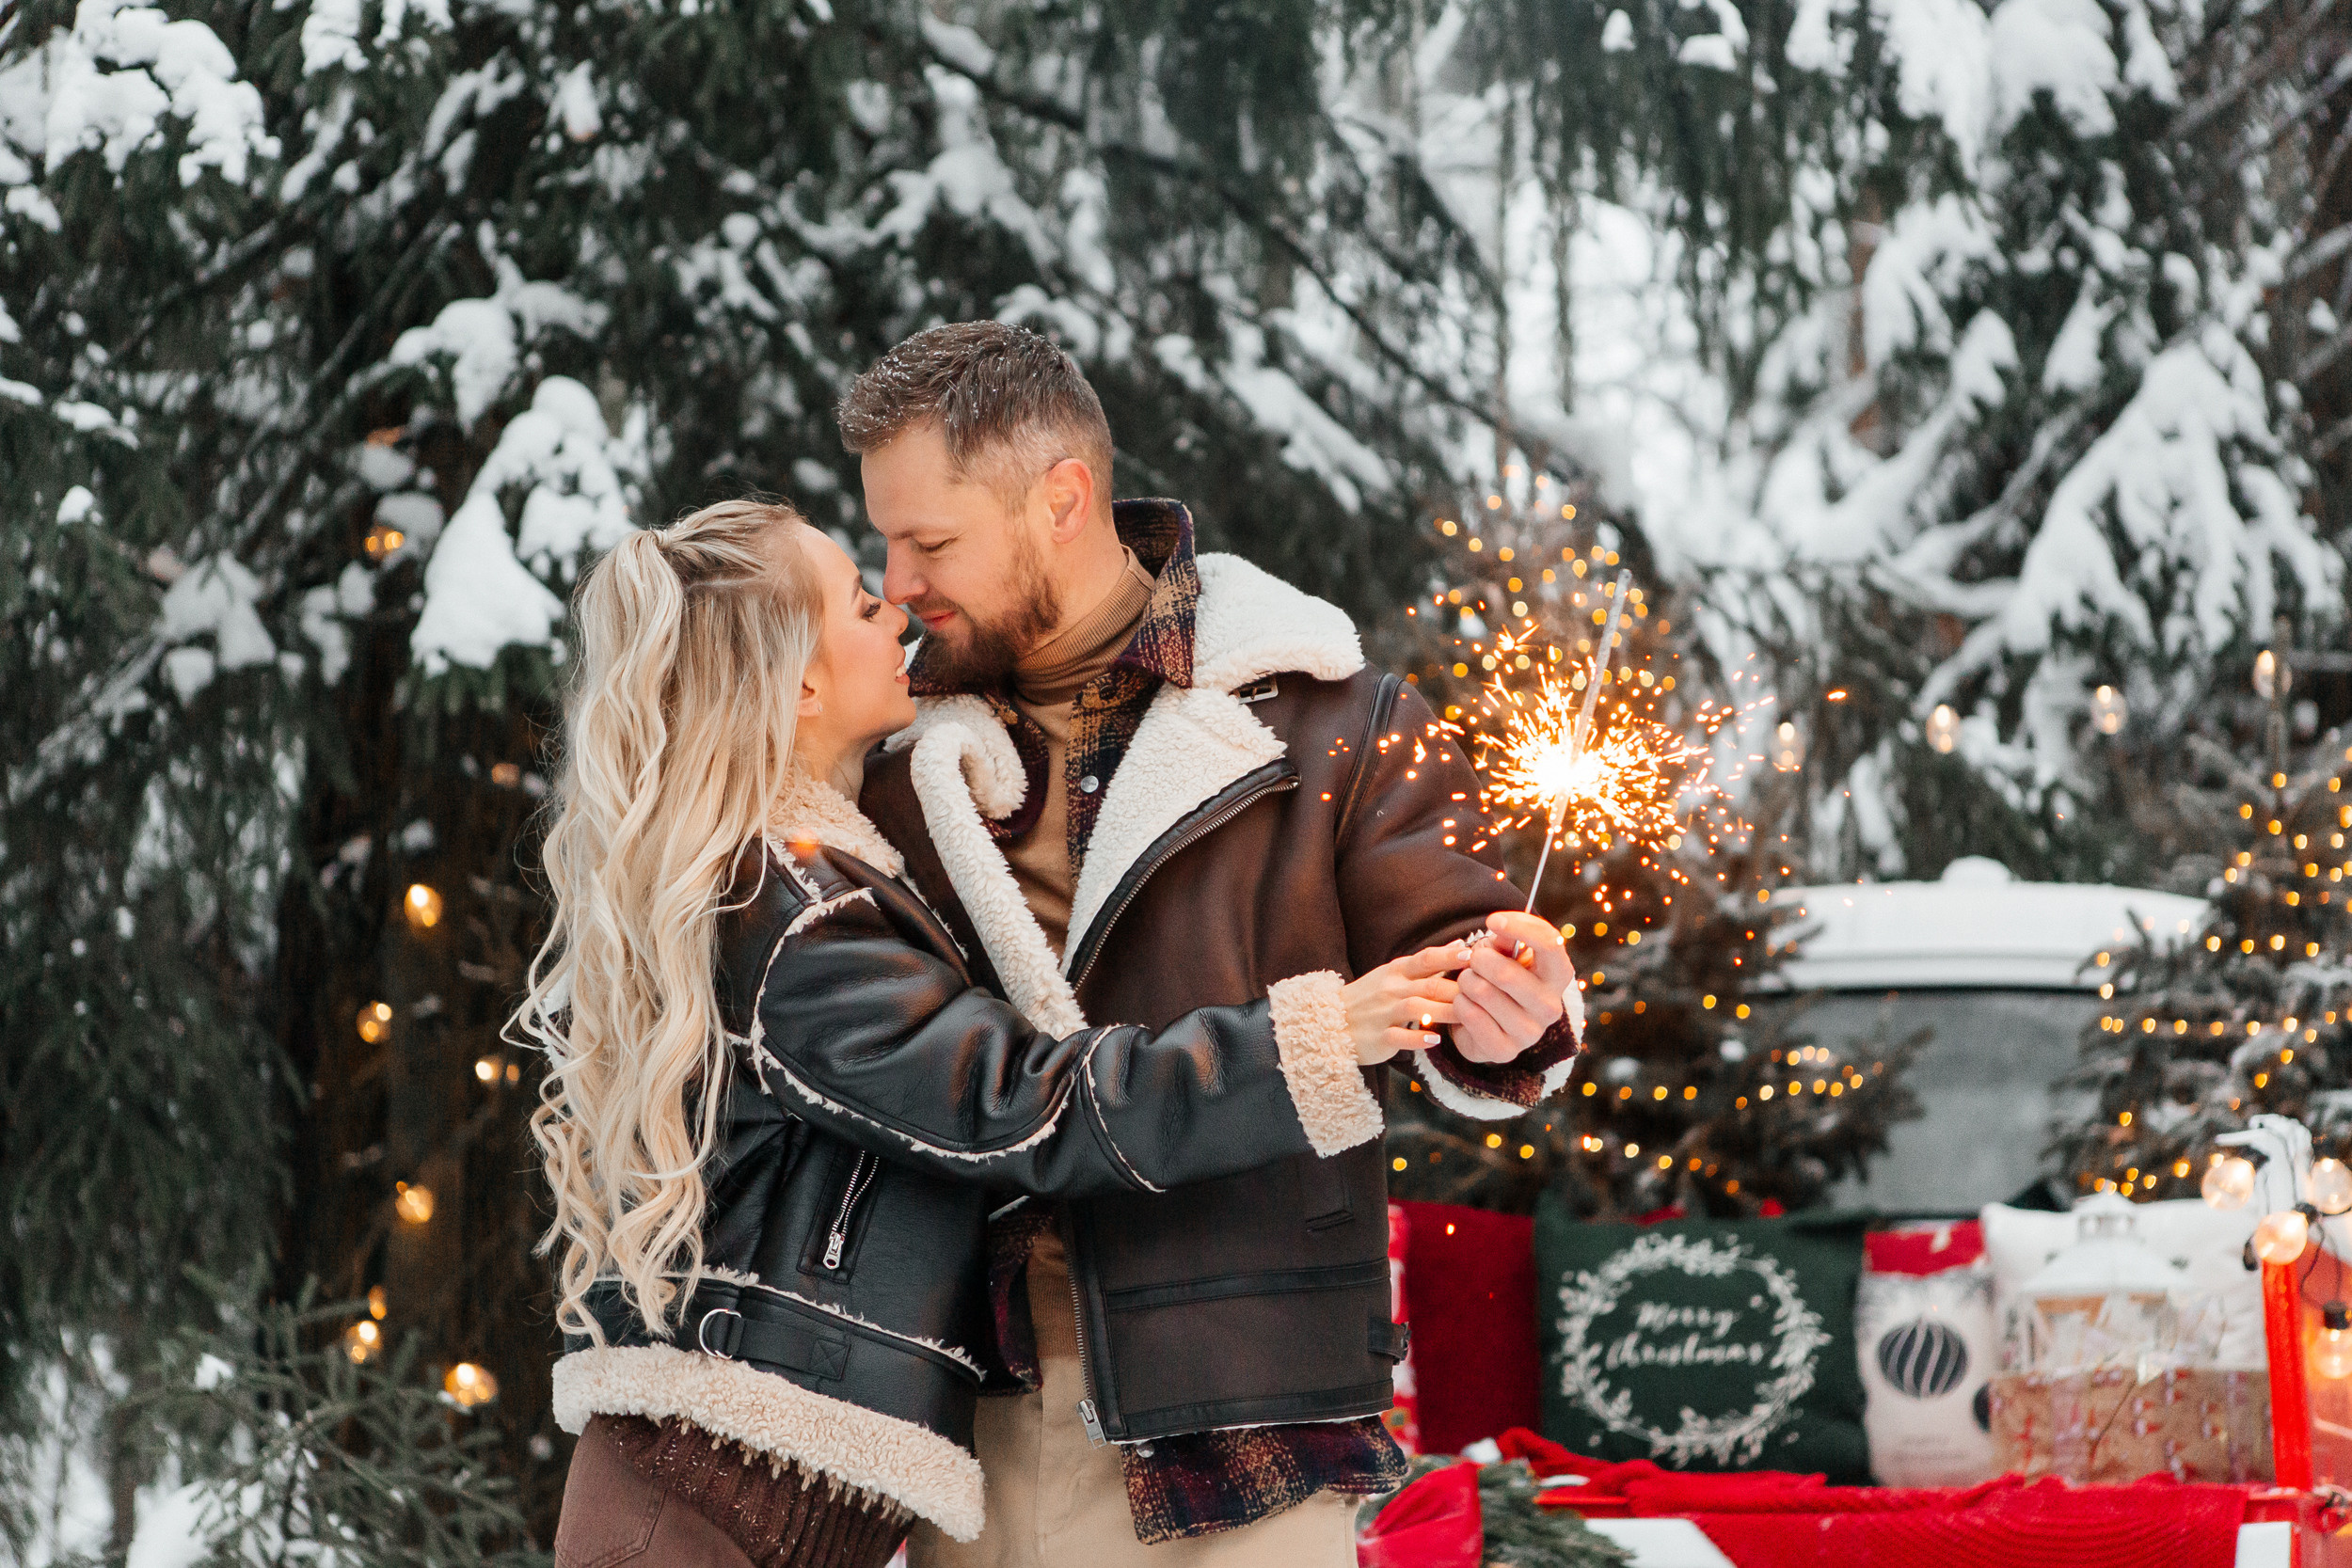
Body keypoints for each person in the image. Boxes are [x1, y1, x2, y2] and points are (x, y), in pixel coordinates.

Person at [516, 498, 1471, 1568]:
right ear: (800, 683)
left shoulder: (817, 871)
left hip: (730, 1491)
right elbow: (1018, 1102)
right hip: (690, 1514)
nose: (899, 612)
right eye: (863, 602)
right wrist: (1309, 1037)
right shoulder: (791, 910)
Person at [842, 322, 1585, 1567]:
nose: (898, 577)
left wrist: (1517, 1024)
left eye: (931, 540)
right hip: (977, 1415)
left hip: (1254, 1429)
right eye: (885, 538)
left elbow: (1464, 973)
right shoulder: (890, 758)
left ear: (1062, 498)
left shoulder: (1333, 718)